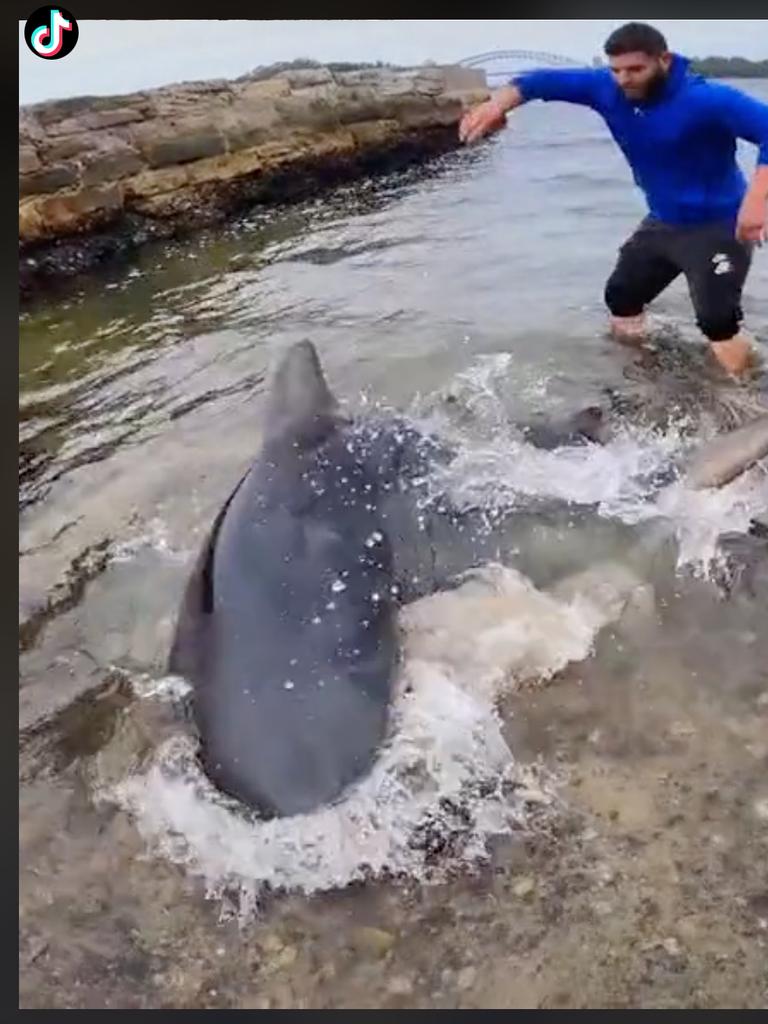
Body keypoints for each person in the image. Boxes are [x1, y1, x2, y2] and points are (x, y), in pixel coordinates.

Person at [459, 22, 768, 377]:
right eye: (616, 70)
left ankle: (743, 396)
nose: (624, 80)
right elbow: (535, 82)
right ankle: (639, 376)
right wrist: (498, 105)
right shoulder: (605, 89)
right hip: (663, 222)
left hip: (719, 226)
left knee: (717, 321)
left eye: (636, 69)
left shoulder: (706, 99)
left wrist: (757, 200)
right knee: (621, 296)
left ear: (663, 60)